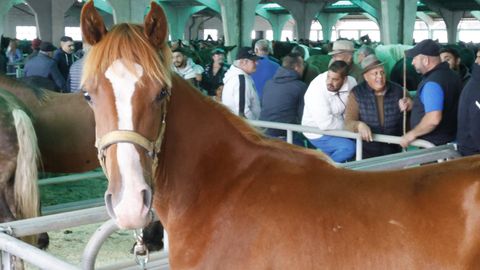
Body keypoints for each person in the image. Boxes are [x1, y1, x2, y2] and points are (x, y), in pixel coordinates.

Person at [344, 55, 412, 158]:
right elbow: (348, 123)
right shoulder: (357, 94)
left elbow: (413, 117)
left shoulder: (399, 91)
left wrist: (411, 105)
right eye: (375, 73)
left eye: (382, 72)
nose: (380, 77)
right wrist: (359, 125)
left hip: (394, 151)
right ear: (366, 77)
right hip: (367, 152)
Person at [400, 39, 462, 148]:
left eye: (415, 58)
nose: (412, 62)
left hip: (434, 147)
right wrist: (414, 105)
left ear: (425, 60)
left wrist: (411, 134)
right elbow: (446, 105)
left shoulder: (432, 83)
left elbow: (433, 119)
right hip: (452, 140)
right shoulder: (452, 75)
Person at [302, 60, 357, 162]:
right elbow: (325, 124)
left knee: (362, 143)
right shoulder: (317, 89)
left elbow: (353, 107)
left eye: (335, 79)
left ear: (344, 79)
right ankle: (323, 172)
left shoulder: (351, 83)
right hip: (317, 130)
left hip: (339, 127)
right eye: (328, 77)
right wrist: (350, 127)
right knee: (349, 148)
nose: (329, 82)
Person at [260, 52, 307, 145]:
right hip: (286, 135)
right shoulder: (300, 87)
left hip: (264, 132)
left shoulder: (268, 83)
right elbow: (304, 116)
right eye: (302, 66)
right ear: (297, 67)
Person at [222, 47, 261, 120]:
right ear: (242, 62)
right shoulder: (240, 80)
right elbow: (243, 113)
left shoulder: (240, 77)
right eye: (254, 61)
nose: (257, 63)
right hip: (243, 128)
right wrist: (256, 127)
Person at [456, 56, 480, 156]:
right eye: (478, 57)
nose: (476, 60)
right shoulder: (476, 87)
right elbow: (476, 127)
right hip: (474, 153)